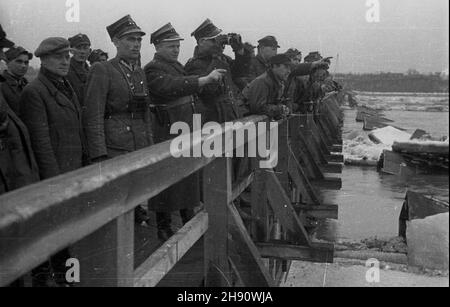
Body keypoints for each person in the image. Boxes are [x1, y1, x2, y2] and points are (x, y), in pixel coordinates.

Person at [144, 23, 226, 241]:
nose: (175, 50)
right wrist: (203, 80)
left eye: (177, 46)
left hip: (184, 127)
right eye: (170, 46)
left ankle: (187, 217)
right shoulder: (153, 68)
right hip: (168, 128)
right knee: (167, 177)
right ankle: (163, 225)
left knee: (185, 176)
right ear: (158, 47)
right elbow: (169, 86)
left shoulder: (177, 66)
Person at [20, 37, 86, 287]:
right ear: (43, 60)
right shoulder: (35, 92)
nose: (65, 61)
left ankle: (63, 277)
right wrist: (56, 182)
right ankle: (55, 278)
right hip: (55, 176)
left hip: (70, 171)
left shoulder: (63, 85)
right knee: (53, 232)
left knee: (64, 231)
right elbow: (41, 144)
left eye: (67, 56)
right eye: (59, 57)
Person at [83, 15, 153, 223]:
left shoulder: (139, 72)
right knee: (114, 209)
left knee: (133, 203)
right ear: (115, 42)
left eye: (138, 40)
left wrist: (149, 145)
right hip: (114, 148)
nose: (136, 44)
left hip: (137, 145)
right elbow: (93, 115)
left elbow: (145, 114)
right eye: (130, 39)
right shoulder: (103, 69)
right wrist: (98, 155)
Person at [185, 18, 252, 123]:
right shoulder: (193, 65)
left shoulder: (223, 59)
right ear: (202, 41)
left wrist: (239, 51)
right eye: (213, 40)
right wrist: (216, 55)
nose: (218, 44)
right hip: (212, 120)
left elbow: (240, 73)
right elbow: (208, 89)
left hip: (230, 114)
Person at [243, 54, 292, 120]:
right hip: (243, 121)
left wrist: (284, 109)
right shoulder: (262, 82)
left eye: (290, 68)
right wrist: (279, 109)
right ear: (275, 66)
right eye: (286, 67)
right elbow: (258, 108)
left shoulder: (278, 82)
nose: (289, 71)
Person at [1, 46, 33, 116]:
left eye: (26, 62)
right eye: (19, 61)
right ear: (7, 62)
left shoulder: (26, 84)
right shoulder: (1, 85)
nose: (23, 66)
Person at [67, 33, 91, 107]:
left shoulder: (91, 71)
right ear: (71, 51)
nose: (82, 52)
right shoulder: (66, 70)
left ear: (90, 51)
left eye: (85, 48)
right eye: (78, 48)